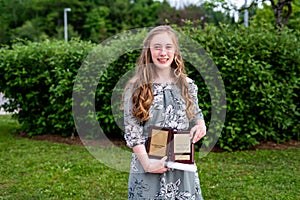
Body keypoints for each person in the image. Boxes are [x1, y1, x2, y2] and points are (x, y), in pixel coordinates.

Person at [123, 25, 206, 199]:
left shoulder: (187, 84)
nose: (163, 52)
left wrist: (200, 125)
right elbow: (132, 132)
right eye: (157, 47)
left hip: (181, 166)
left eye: (168, 47)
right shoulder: (136, 87)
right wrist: (147, 164)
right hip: (148, 164)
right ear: (148, 51)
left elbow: (195, 114)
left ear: (175, 51)